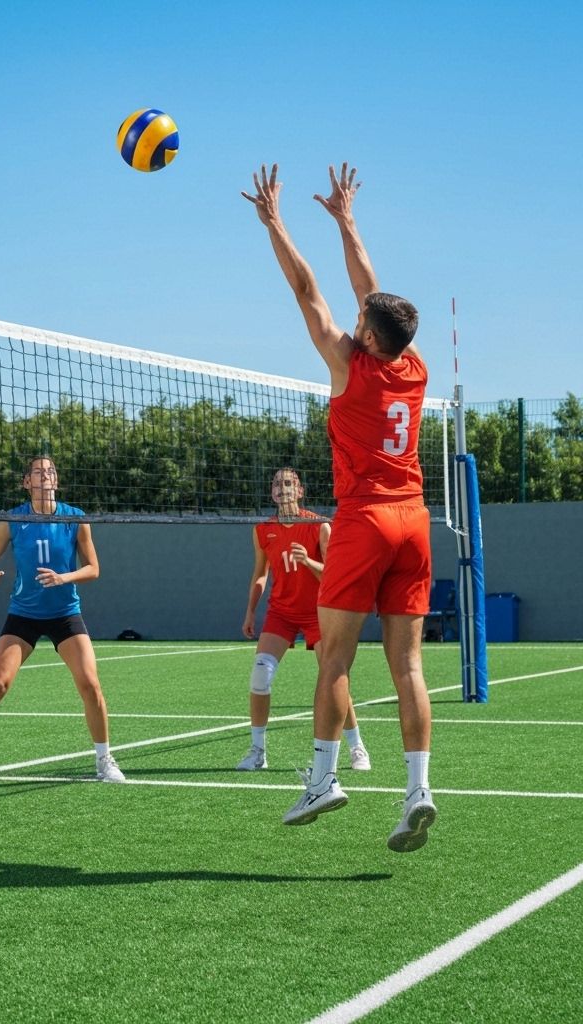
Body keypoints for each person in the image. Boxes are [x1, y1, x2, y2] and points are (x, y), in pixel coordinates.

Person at [242, 163, 436, 852]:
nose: (354, 321)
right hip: (415, 521)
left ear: (372, 338)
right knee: (408, 668)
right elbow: (367, 290)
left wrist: (275, 223)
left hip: (365, 520)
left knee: (335, 660)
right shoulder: (413, 366)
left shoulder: (349, 364)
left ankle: (323, 779)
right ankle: (418, 790)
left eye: (362, 322)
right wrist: (347, 221)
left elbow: (307, 290)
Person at [0, 455, 126, 789]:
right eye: (38, 472)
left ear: (57, 481)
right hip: (23, 614)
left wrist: (63, 577)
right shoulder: (13, 520)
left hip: (65, 613)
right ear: (27, 482)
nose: (45, 475)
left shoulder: (75, 519)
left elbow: (93, 568)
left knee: (90, 684)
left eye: (50, 471)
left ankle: (104, 760)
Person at [237, 466, 370, 773]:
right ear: (272, 493)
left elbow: (334, 576)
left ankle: (357, 747)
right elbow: (260, 575)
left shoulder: (319, 526)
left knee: (334, 677)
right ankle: (258, 751)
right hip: (281, 613)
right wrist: (250, 611)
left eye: (289, 483)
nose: (283, 488)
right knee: (260, 675)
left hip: (318, 612)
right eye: (277, 484)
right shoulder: (263, 531)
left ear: (300, 491)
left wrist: (307, 561)